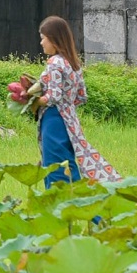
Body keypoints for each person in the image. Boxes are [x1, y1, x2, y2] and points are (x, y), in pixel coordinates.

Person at [32, 16, 122, 188]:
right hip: (70, 121)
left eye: (43, 38)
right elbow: (81, 96)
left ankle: (63, 207)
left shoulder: (54, 63)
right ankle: (85, 203)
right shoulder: (73, 63)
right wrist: (67, 107)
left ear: (54, 40)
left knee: (55, 168)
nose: (41, 43)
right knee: (69, 164)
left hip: (54, 120)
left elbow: (54, 96)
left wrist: (34, 101)